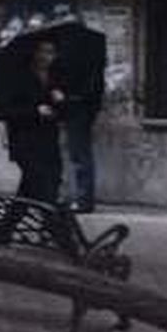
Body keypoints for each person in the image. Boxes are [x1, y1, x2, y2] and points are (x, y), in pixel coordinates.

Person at [0, 39, 66, 207]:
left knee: (34, 188)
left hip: (48, 142)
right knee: (43, 188)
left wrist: (61, 100)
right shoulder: (17, 78)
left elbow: (61, 113)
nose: (46, 57)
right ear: (34, 54)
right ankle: (54, 228)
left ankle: (5, 229)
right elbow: (2, 111)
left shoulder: (54, 78)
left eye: (50, 52)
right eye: (42, 52)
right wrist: (34, 111)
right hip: (25, 142)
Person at [60, 22, 105, 214]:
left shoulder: (75, 50)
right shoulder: (94, 46)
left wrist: (66, 97)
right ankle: (80, 196)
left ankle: (82, 198)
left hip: (77, 106)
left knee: (78, 153)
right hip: (82, 106)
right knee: (78, 152)